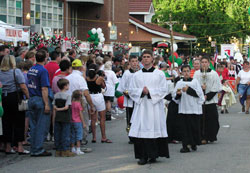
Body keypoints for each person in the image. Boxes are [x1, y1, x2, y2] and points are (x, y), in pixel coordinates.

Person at [128, 50, 169, 165]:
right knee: (141, 132)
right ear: (142, 59)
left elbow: (163, 90)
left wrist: (149, 91)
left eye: (148, 57)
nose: (146, 59)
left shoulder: (159, 74)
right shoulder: (136, 75)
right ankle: (143, 156)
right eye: (144, 57)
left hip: (154, 107)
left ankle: (154, 155)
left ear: (152, 59)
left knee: (154, 129)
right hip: (141, 107)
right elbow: (131, 90)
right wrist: (141, 91)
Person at [0, 55, 30, 154]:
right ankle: (20, 146)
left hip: (4, 98)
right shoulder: (16, 71)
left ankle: (8, 146)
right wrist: (28, 96)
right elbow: (23, 86)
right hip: (15, 97)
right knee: (19, 122)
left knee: (6, 122)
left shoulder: (0, 72)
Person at [173, 65, 205, 153]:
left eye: (187, 71)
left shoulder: (195, 82)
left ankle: (193, 143)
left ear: (190, 72)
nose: (186, 73)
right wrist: (178, 94)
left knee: (193, 128)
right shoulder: (179, 83)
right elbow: (174, 97)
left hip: (194, 108)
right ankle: (185, 145)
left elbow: (199, 95)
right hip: (184, 109)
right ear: (181, 72)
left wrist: (188, 90)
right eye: (184, 71)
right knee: (184, 129)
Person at [27, 50, 52, 156]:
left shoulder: (31, 69)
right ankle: (38, 149)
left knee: (33, 126)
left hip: (31, 98)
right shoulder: (43, 70)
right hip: (39, 99)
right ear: (45, 59)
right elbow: (44, 88)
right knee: (42, 125)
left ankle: (33, 147)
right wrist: (46, 104)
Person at [66, 59, 95, 146]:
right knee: (83, 121)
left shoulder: (67, 77)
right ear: (81, 68)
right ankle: (81, 139)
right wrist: (91, 105)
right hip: (80, 102)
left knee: (72, 121)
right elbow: (86, 93)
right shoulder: (80, 78)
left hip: (69, 102)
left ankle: (73, 139)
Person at [193, 56, 222, 144]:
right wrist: (201, 90)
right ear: (200, 64)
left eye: (206, 62)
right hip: (200, 100)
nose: (204, 64)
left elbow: (216, 86)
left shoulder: (214, 74)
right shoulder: (197, 74)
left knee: (212, 119)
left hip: (210, 100)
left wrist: (207, 96)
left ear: (209, 63)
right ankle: (202, 136)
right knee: (201, 120)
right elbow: (194, 85)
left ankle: (211, 136)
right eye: (202, 62)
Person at [86, 64, 111, 143]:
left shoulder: (86, 78)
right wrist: (102, 79)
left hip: (90, 96)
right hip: (98, 96)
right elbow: (103, 87)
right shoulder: (99, 78)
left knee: (93, 119)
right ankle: (103, 137)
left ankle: (94, 137)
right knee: (102, 118)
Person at [117, 55, 139, 144]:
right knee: (130, 118)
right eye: (132, 61)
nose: (134, 63)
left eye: (136, 61)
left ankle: (138, 134)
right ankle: (131, 136)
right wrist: (126, 93)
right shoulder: (126, 73)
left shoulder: (140, 73)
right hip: (129, 99)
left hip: (138, 99)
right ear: (129, 62)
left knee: (138, 117)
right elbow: (122, 87)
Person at [53, 78, 75, 157]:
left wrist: (57, 109)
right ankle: (65, 149)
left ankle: (58, 150)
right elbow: (66, 107)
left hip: (58, 117)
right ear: (65, 86)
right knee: (65, 133)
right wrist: (60, 109)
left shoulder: (56, 95)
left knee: (58, 133)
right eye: (68, 85)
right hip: (65, 116)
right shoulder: (68, 95)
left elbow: (54, 106)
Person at [70, 90, 87, 155]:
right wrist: (84, 123)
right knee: (78, 135)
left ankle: (72, 148)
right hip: (78, 121)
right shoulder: (78, 104)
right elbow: (80, 114)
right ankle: (78, 149)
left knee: (72, 135)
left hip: (71, 121)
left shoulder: (72, 103)